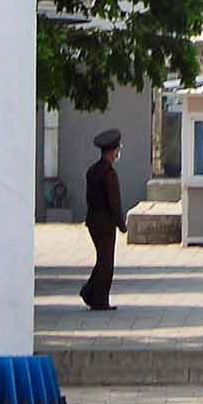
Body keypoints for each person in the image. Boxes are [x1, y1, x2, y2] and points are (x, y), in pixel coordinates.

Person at [81, 128, 126, 312]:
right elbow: (114, 202)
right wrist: (121, 224)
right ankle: (98, 299)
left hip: (93, 220)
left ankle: (91, 293)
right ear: (113, 151)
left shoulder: (93, 171)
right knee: (106, 262)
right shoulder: (109, 174)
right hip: (105, 223)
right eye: (117, 149)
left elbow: (89, 197)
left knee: (102, 259)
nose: (118, 153)